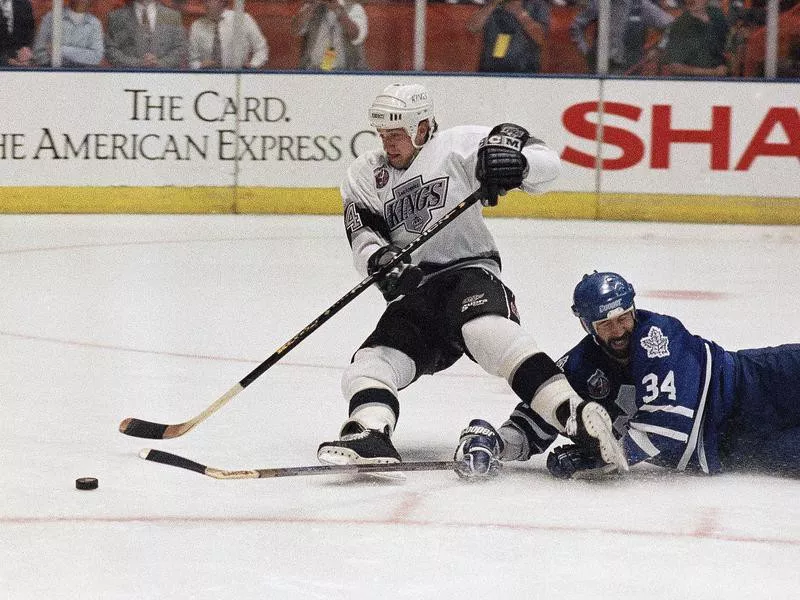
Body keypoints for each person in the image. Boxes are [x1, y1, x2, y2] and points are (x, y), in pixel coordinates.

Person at [316, 83, 626, 477]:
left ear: (423, 126)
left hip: (470, 273)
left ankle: (575, 415)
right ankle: (371, 432)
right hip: (417, 290)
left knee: (488, 333)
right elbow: (362, 237)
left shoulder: (458, 145)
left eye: (397, 134)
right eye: (383, 135)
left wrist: (519, 165)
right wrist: (381, 262)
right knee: (369, 364)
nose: (389, 144)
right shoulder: (364, 175)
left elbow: (546, 160)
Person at [456, 270, 800, 480]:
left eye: (624, 318)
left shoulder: (656, 336)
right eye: (605, 324)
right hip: (732, 447)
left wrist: (605, 456)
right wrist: (495, 443)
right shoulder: (579, 366)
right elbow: (536, 422)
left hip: (757, 386)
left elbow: (669, 427)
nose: (619, 330)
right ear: (586, 325)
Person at [569, 0, 673, 75]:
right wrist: (586, 52)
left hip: (631, 69)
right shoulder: (599, 3)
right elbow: (577, 26)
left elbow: (672, 26)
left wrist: (659, 48)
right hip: (600, 69)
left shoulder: (641, 6)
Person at [468, 0, 550, 73]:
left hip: (524, 70)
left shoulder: (537, 4)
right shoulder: (491, 3)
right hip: (490, 70)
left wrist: (519, 12)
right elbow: (472, 27)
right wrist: (492, 5)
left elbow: (540, 38)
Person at [105, 0, 187, 68]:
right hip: (128, 79)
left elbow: (180, 48)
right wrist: (137, 63)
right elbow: (111, 50)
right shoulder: (116, 17)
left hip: (166, 80)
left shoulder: (173, 16)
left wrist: (160, 63)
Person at [189, 0, 268, 69]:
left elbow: (261, 48)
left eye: (209, 0)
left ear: (222, 1)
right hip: (207, 79)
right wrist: (200, 66)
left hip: (238, 78)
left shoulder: (242, 19)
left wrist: (252, 66)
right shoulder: (196, 26)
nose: (205, 3)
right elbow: (192, 60)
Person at [290, 0, 368, 71]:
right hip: (312, 71)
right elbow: (295, 30)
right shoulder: (311, 6)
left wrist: (339, 10)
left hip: (347, 73)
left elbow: (355, 36)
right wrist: (311, 6)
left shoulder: (355, 8)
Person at [662, 0, 729, 76]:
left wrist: (725, 66)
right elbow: (675, 67)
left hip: (722, 79)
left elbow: (726, 47)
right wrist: (712, 72)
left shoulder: (716, 14)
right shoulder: (680, 26)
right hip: (693, 82)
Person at [32, 0, 104, 67]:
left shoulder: (94, 23)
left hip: (83, 77)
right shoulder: (51, 18)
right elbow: (39, 54)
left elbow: (96, 57)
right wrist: (81, 56)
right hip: (54, 75)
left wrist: (60, 50)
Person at [0, 0, 35, 67]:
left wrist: (25, 50)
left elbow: (29, 32)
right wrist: (6, 60)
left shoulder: (24, 4)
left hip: (19, 60)